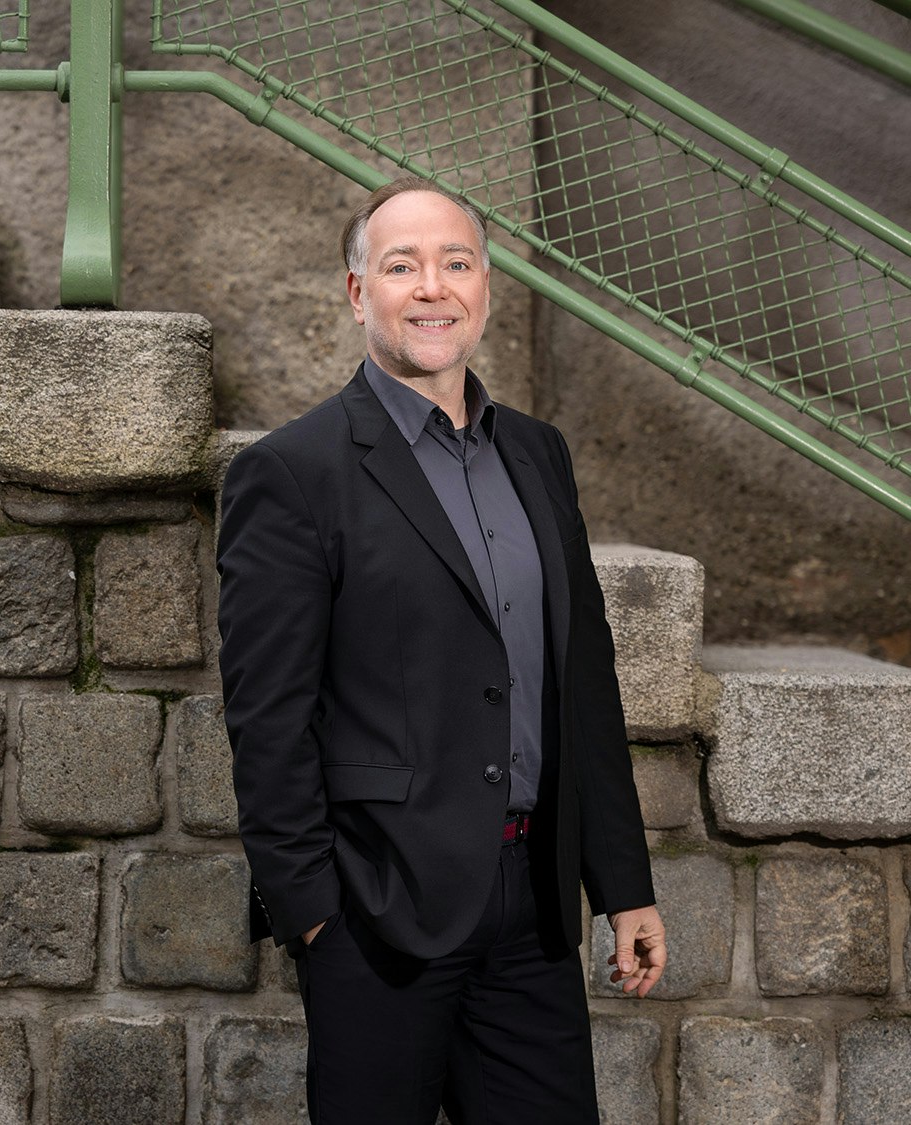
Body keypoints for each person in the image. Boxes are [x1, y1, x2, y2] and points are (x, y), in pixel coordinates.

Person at [215, 176, 667, 1124]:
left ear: (486, 288)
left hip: (535, 906)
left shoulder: (538, 454)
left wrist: (621, 885)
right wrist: (313, 918)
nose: (433, 287)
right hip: (379, 914)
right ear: (357, 293)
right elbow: (269, 718)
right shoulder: (293, 473)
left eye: (456, 263)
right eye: (402, 265)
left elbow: (583, 681)